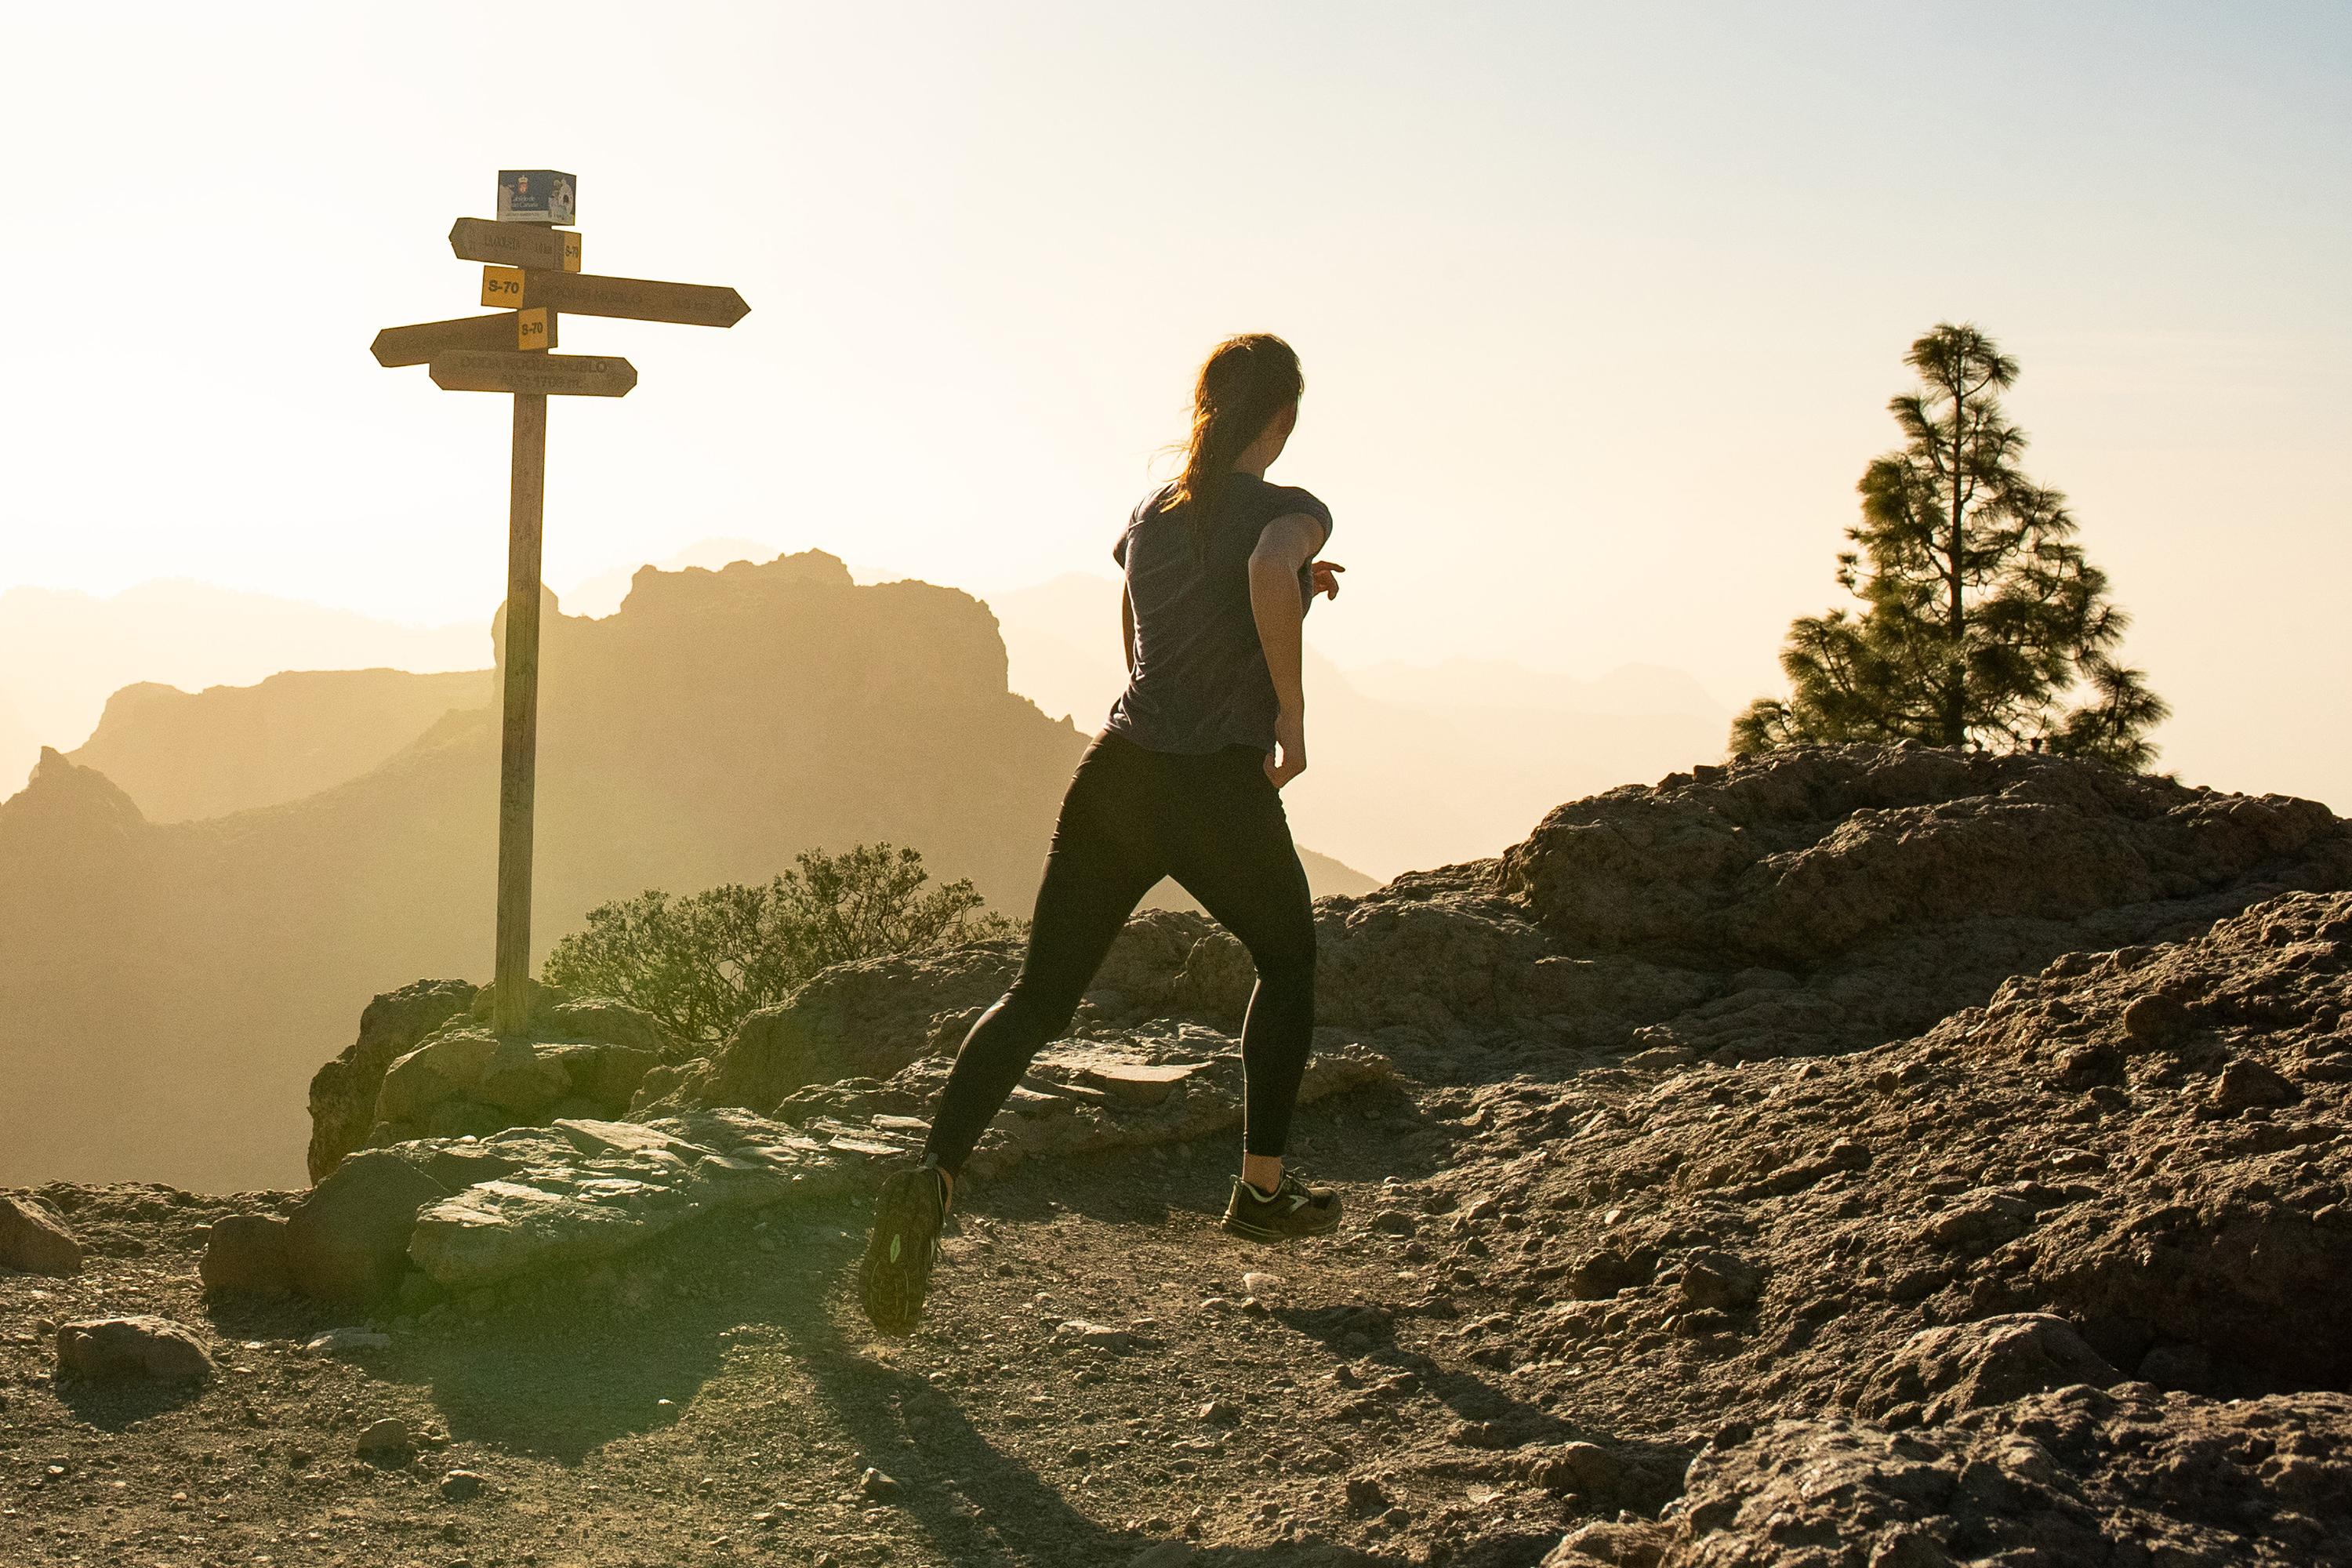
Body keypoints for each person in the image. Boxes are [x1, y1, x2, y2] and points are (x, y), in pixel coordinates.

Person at [858, 332, 1347, 1337]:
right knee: (1288, 958)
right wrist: (1291, 714)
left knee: (1038, 994)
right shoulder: (1291, 511)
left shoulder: (1151, 511)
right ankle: (1261, 1190)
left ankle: (932, 1175)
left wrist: (1277, 603)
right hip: (1216, 787)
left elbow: (1142, 613)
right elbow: (1263, 565)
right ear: (1282, 418)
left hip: (1118, 774)